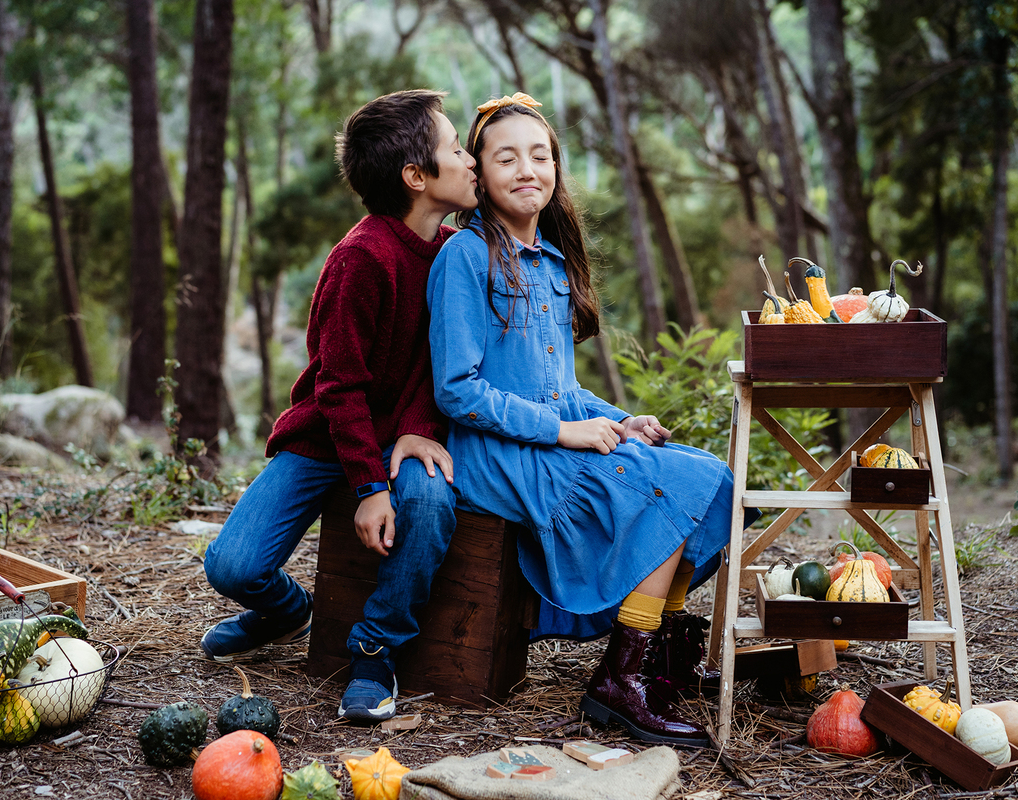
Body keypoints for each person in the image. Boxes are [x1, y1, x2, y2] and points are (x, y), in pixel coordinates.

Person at [427, 93, 747, 747]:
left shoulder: (548, 261)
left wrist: (620, 417)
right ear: (480, 176)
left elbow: (562, 388)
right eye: (506, 157)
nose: (526, 170)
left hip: (544, 439)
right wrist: (563, 433)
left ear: (555, 170)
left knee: (707, 476)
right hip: (494, 454)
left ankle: (655, 661)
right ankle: (618, 682)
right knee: (664, 489)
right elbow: (457, 391)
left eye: (539, 156)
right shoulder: (463, 256)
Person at [201, 89, 478, 724]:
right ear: (416, 177)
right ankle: (284, 611)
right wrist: (369, 486)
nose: (468, 160)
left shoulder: (451, 256)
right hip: (330, 437)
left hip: (400, 437)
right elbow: (339, 387)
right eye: (456, 148)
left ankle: (377, 647)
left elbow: (440, 370)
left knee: (432, 503)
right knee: (234, 567)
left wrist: (413, 434)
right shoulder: (362, 259)